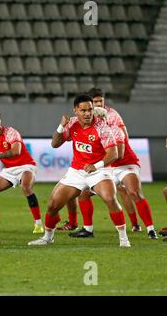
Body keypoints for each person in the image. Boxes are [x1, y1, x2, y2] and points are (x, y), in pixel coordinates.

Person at [28, 94, 131, 248]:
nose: (87, 113)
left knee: (110, 198)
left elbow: (114, 154)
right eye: (83, 110)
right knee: (52, 205)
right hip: (76, 171)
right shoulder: (73, 124)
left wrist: (96, 165)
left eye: (90, 110)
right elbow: (55, 144)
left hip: (98, 171)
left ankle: (124, 239)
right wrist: (61, 126)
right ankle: (48, 237)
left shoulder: (102, 127)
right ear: (75, 110)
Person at [69, 107, 158, 240]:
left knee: (133, 192)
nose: (96, 121)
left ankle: (150, 229)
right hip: (108, 168)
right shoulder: (94, 131)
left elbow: (119, 155)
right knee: (83, 194)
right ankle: (88, 229)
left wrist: (97, 163)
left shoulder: (115, 131)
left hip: (125, 165)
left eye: (98, 118)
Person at [0, 109, 43, 234]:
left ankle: (38, 224)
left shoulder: (10, 132)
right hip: (9, 170)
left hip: (26, 166)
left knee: (25, 187)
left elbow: (16, 151)